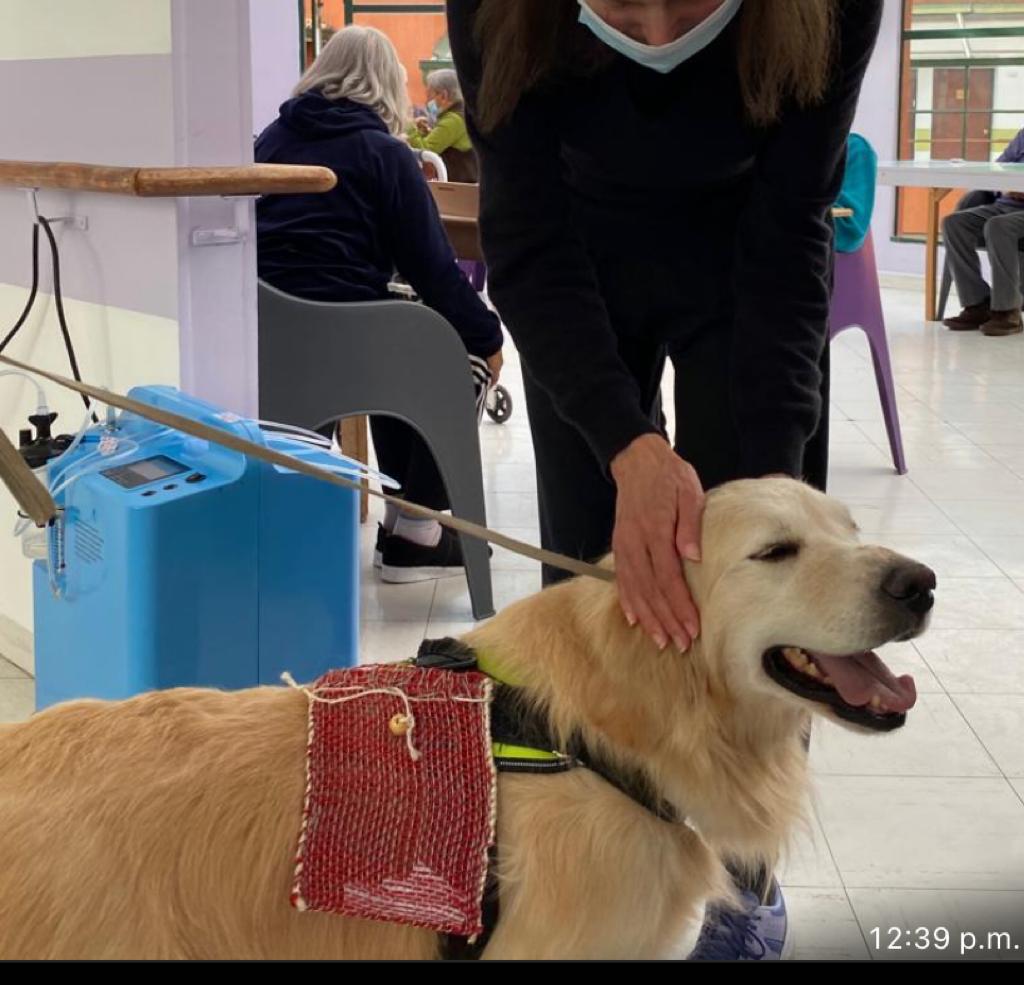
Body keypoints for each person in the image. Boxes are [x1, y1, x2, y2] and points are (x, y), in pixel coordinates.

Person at [447, 0, 882, 961]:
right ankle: (583, 850)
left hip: (745, 255)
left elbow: (789, 226)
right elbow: (523, 235)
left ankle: (747, 882)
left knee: (769, 591)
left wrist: (769, 489)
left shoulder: (829, 10)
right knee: (598, 587)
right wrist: (622, 438)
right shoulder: (500, 11)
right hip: (577, 258)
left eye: (683, 6)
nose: (651, 29)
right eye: (618, 7)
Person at [255, 26, 503, 582]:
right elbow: (432, 268)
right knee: (451, 360)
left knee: (403, 350)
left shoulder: (269, 140)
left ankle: (401, 525)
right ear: (388, 84)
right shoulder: (383, 153)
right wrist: (488, 338)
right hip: (346, 341)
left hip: (267, 339)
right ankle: (416, 532)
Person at [941, 125, 1024, 337]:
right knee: (954, 224)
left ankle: (1008, 311)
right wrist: (1005, 188)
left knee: (998, 226)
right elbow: (997, 170)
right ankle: (977, 304)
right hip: (1004, 205)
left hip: (1015, 214)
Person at [407, 68, 480, 182]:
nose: (427, 102)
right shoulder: (460, 114)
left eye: (429, 96)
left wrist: (409, 127)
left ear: (443, 95)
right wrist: (424, 131)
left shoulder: (453, 120)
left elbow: (425, 150)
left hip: (459, 188)